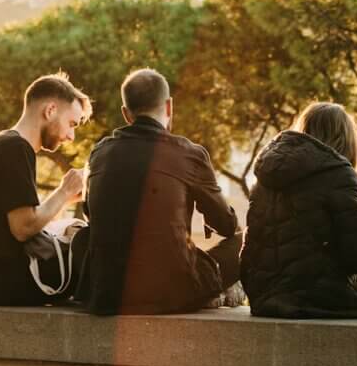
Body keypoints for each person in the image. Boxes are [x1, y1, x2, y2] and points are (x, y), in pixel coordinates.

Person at [76, 69, 242, 316]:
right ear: (169, 107)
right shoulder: (188, 153)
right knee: (241, 240)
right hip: (171, 293)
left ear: (125, 113)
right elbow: (227, 226)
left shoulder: (100, 153)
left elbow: (92, 215)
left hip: (107, 295)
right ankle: (220, 290)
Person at [0, 73, 90, 306]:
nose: (71, 136)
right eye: (71, 124)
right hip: (5, 284)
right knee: (95, 243)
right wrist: (64, 191)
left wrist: (63, 202)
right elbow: (23, 228)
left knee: (72, 231)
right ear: (50, 110)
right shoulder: (15, 149)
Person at [241, 102, 357, 319]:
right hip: (317, 298)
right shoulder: (340, 174)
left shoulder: (264, 176)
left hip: (263, 296)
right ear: (346, 138)